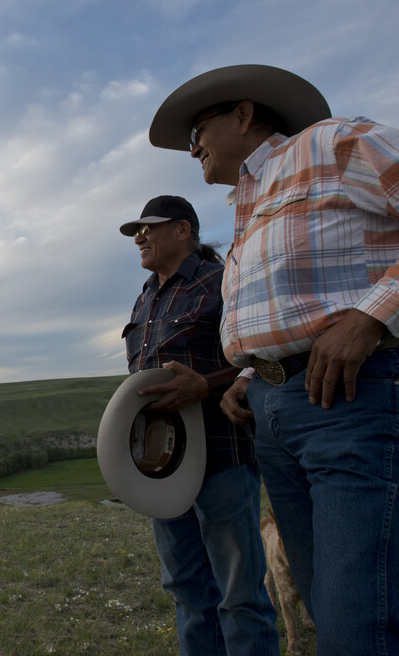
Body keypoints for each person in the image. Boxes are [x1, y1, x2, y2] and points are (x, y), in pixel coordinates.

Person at [147, 64, 399, 654]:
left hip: (350, 397)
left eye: (198, 130)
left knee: (354, 621)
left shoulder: (330, 145)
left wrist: (373, 315)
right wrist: (251, 373)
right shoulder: (248, 207)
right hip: (275, 410)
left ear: (244, 115)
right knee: (324, 602)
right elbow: (296, 300)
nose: (192, 147)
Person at [120, 194, 280, 655]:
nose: (139, 237)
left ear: (183, 229)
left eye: (149, 227)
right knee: (186, 588)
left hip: (222, 456)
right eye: (135, 230)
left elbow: (262, 357)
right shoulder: (148, 294)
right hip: (163, 465)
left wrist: (205, 386)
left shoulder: (222, 280)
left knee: (240, 595)